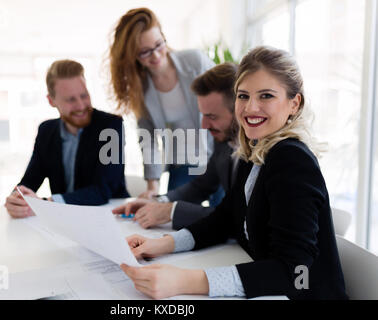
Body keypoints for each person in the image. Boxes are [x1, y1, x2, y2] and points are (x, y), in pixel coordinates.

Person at [120, 46, 348, 300]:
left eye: (266, 96)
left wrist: (186, 280)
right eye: (243, 96)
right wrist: (161, 244)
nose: (250, 108)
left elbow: (294, 272)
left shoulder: (292, 159)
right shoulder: (256, 150)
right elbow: (226, 218)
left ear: (294, 103)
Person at [112, 62, 239, 230]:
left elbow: (237, 217)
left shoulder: (267, 153)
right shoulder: (224, 141)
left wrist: (171, 212)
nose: (204, 126)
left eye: (212, 116)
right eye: (203, 115)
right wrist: (157, 202)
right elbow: (201, 186)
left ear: (240, 109)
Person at [108, 7, 215, 198]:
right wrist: (152, 186)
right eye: (145, 52)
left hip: (218, 156)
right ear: (133, 56)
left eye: (159, 45)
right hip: (181, 165)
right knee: (172, 218)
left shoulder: (195, 62)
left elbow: (228, 103)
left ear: (163, 37)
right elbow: (147, 139)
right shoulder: (140, 89)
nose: (156, 55)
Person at [5, 59, 129, 218]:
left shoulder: (110, 126)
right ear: (51, 101)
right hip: (65, 221)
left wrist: (46, 203)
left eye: (84, 96)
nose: (81, 105)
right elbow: (30, 180)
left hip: (110, 217)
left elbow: (102, 190)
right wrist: (18, 198)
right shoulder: (46, 131)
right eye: (71, 99)